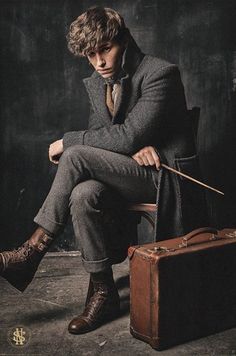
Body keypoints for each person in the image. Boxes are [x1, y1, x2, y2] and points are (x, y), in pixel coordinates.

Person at [0, 7, 207, 334]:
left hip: (166, 178)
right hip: (132, 170)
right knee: (83, 193)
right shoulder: (97, 83)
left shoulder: (160, 73)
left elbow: (125, 136)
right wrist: (131, 143)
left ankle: (32, 251)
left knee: (76, 154)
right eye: (91, 55)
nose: (99, 62)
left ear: (124, 40)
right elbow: (112, 139)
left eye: (106, 49)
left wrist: (69, 141)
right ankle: (102, 290)